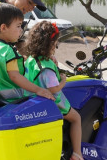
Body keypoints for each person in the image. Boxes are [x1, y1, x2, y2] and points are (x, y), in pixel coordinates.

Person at [24, 21, 84, 160]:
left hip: (33, 100)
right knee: (76, 118)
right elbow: (53, 88)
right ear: (49, 44)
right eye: (55, 42)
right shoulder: (47, 68)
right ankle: (77, 153)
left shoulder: (32, 59)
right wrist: (63, 80)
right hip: (53, 102)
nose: (56, 46)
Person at [0, 3, 55, 102]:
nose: (21, 30)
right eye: (18, 26)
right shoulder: (7, 50)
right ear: (3, 28)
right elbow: (14, 76)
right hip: (10, 98)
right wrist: (38, 90)